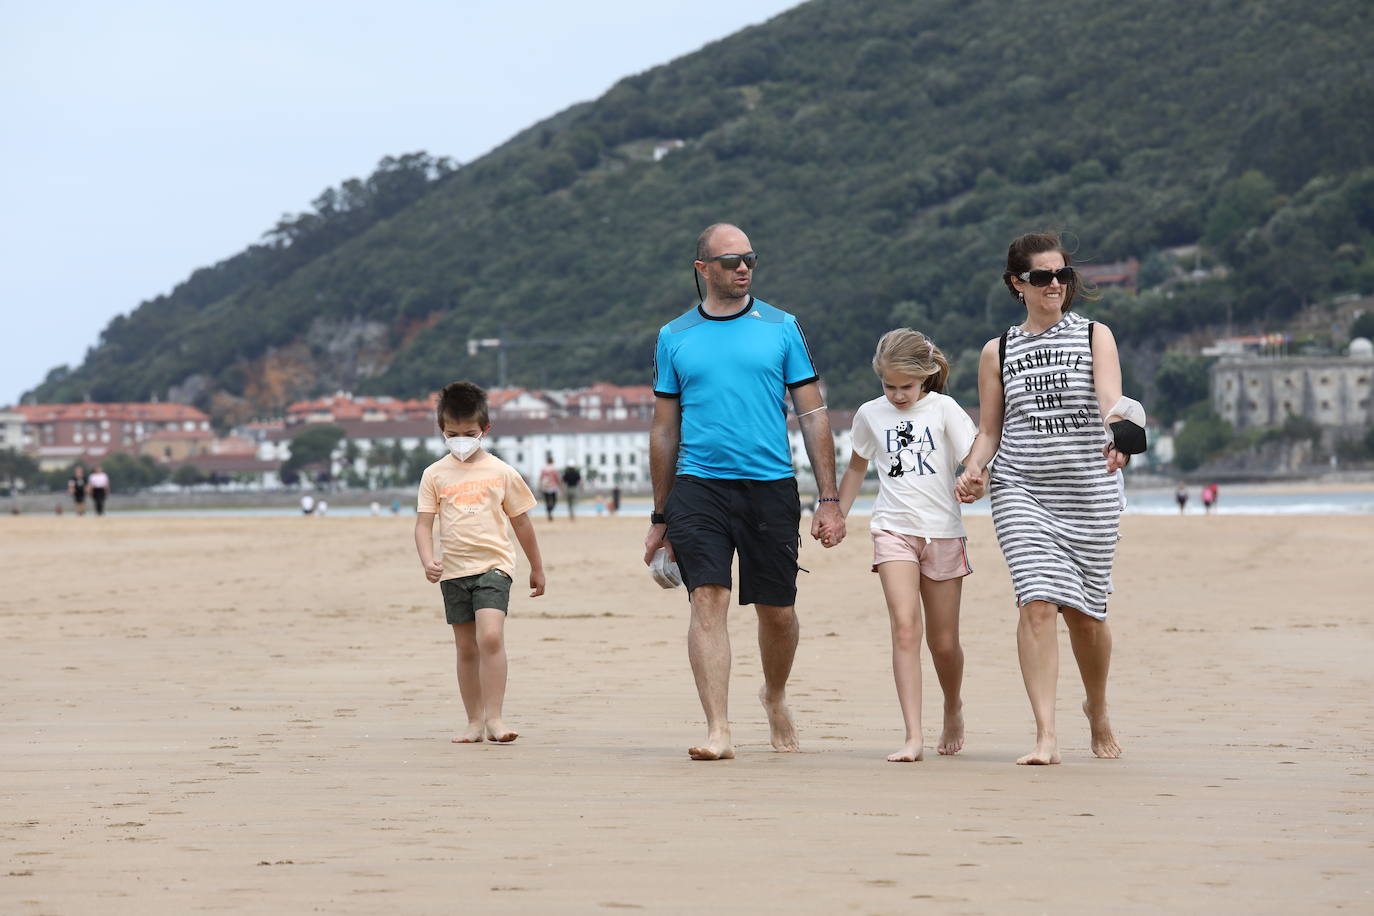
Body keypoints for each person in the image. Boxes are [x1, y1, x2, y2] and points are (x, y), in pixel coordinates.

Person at [644, 222, 846, 761]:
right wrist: (660, 514)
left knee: (776, 609)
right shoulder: (674, 336)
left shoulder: (782, 327)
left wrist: (829, 499)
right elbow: (665, 429)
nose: (743, 268)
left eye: (750, 260)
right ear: (702, 269)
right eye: (731, 260)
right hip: (698, 485)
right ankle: (719, 729)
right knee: (707, 598)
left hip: (770, 485)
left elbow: (813, 412)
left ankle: (774, 695)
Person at [956, 231, 1146, 765]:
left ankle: (1098, 707)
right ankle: (1045, 735)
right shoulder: (999, 350)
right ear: (1018, 284)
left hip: (1089, 491)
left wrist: (1123, 436)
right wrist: (974, 470)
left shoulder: (1094, 336)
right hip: (1022, 490)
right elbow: (990, 431)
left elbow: (1111, 400)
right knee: (1037, 602)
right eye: (1042, 277)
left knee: (1087, 617)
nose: (1056, 284)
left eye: (1063, 274)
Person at [837, 329, 983, 762]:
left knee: (943, 642)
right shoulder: (869, 414)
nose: (898, 395)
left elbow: (975, 468)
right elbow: (855, 469)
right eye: (890, 386)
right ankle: (913, 736)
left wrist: (975, 485)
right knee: (904, 628)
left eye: (907, 386)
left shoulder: (945, 410)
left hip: (942, 532)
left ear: (927, 376)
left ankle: (952, 705)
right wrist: (835, 515)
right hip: (892, 529)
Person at [415, 381, 546, 744]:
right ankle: (474, 721)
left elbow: (522, 521)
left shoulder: (502, 472)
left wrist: (537, 566)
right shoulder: (434, 475)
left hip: (494, 567)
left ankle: (496, 719)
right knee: (465, 647)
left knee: (489, 637)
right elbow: (424, 525)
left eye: (469, 433)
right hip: (453, 572)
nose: (461, 440)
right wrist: (428, 561)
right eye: (452, 433)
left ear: (485, 430)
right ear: (441, 430)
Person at [537, 454, 562, 521]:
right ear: (552, 461)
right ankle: (550, 510)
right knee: (554, 500)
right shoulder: (554, 469)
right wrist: (560, 486)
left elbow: (541, 478)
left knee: (547, 501)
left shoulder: (543, 469)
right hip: (553, 487)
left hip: (545, 487)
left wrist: (539, 487)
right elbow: (557, 478)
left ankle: (549, 511)